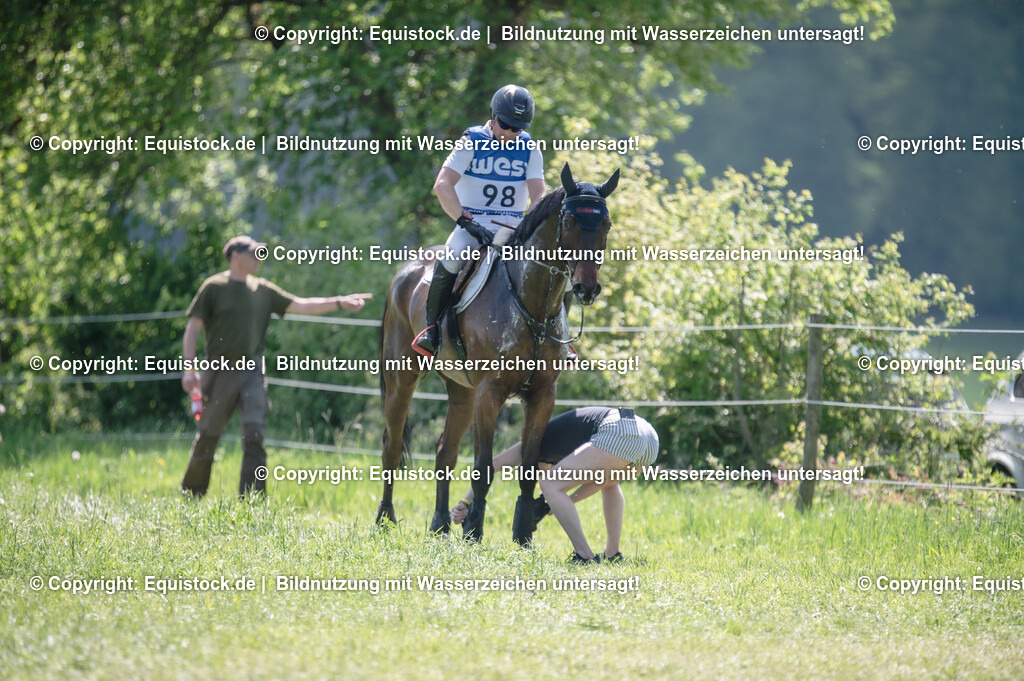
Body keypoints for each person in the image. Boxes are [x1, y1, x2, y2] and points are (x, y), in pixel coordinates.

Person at [179, 235, 372, 498]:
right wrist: (189, 370)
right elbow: (192, 330)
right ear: (235, 256)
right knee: (208, 434)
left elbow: (302, 305)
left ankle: (252, 499)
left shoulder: (263, 290)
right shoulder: (213, 287)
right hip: (219, 371)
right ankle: (191, 494)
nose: (259, 259)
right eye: (254, 253)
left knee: (255, 434)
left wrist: (340, 301)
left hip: (252, 373)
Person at [414, 84, 546, 356]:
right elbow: (443, 185)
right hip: (473, 224)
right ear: (493, 116)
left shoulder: (530, 148)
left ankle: (561, 340)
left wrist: (529, 228)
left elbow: (539, 195)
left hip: (513, 227)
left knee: (555, 267)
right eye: (506, 125)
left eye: (517, 128)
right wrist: (465, 221)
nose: (510, 133)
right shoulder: (471, 140)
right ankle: (432, 329)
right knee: (452, 255)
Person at [450, 407, 659, 564]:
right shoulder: (568, 445)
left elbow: (491, 464)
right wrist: (465, 501)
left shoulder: (533, 442)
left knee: (550, 483)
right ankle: (612, 554)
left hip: (619, 431)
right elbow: (601, 481)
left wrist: (465, 501)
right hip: (647, 437)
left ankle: (584, 556)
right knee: (610, 483)